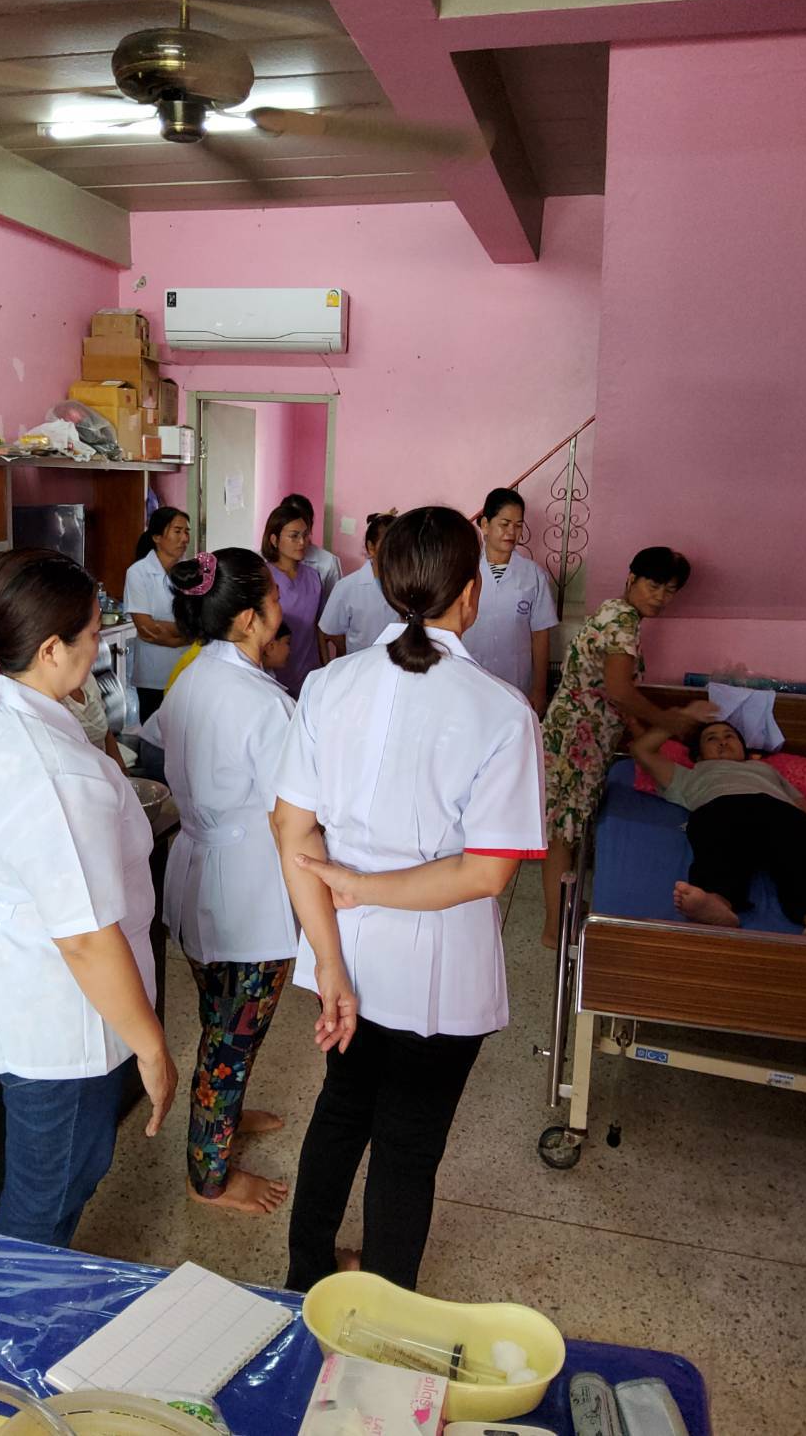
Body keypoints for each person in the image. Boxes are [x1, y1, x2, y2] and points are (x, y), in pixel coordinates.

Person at [272, 506, 546, 1292]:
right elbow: (485, 873)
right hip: (439, 969)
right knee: (408, 1145)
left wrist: (331, 960)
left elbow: (292, 829)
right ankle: (385, 1311)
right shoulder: (500, 710)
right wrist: (365, 886)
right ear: (471, 592)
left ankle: (303, 1277)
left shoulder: (328, 684)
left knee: (341, 1107)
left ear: (388, 586)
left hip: (343, 945)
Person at [0, 549, 177, 1248]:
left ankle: (33, 1289)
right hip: (54, 1002)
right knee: (49, 1192)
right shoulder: (48, 766)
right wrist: (152, 1047)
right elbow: (85, 937)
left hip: (19, 978)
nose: (99, 647)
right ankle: (11, 1310)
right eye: (94, 634)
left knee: (58, 1174)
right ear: (50, 649)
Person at [154, 548, 298, 1215]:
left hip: (196, 872)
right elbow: (289, 816)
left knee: (222, 1020)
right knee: (231, 1037)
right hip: (245, 890)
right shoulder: (262, 702)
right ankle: (208, 1176)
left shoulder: (191, 677)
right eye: (273, 598)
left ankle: (225, 1116)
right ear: (247, 619)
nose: (281, 607)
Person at [540, 546, 710, 949]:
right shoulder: (623, 621)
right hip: (577, 739)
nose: (661, 597)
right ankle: (554, 930)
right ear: (632, 577)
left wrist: (636, 727)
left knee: (564, 831)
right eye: (654, 585)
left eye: (670, 590)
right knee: (563, 834)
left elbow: (609, 689)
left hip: (577, 732)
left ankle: (560, 916)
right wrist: (669, 720)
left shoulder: (613, 611)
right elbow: (619, 689)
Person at [632, 718, 806, 938]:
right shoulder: (691, 774)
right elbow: (642, 749)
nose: (723, 741)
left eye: (729, 736)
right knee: (718, 847)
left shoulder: (766, 770)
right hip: (722, 808)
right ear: (699, 756)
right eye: (711, 738)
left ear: (744, 749)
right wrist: (675, 719)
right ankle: (716, 903)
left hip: (779, 811)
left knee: (802, 848)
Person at [463, 488, 558, 715]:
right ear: (485, 525)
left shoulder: (533, 575)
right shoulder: (464, 570)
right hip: (470, 681)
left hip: (516, 684)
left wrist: (539, 690)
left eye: (518, 525)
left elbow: (540, 635)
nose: (511, 532)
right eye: (504, 524)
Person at [124, 506, 192, 720]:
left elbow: (201, 621)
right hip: (153, 677)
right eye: (177, 531)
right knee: (155, 734)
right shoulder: (138, 573)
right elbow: (146, 628)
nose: (185, 538)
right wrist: (188, 635)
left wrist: (171, 632)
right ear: (157, 537)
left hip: (187, 671)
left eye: (186, 532)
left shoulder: (190, 572)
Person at [262, 503, 324, 699]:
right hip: (272, 673)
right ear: (274, 539)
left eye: (305, 535)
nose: (302, 542)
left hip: (309, 671)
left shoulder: (313, 577)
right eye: (294, 536)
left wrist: (325, 666)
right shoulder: (263, 577)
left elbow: (319, 627)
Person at [318, 512, 397, 661]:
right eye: (387, 545)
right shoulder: (347, 587)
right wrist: (349, 656)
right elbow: (328, 631)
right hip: (360, 666)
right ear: (371, 548)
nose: (394, 551)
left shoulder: (410, 585)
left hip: (397, 667)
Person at [63, 672, 128, 773]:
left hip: (104, 771)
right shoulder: (47, 697)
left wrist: (122, 772)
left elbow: (106, 732)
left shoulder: (88, 679)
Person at [282, 493, 342, 600]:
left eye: (304, 531)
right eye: (293, 534)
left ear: (310, 524)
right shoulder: (263, 561)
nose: (301, 542)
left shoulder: (328, 563)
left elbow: (336, 604)